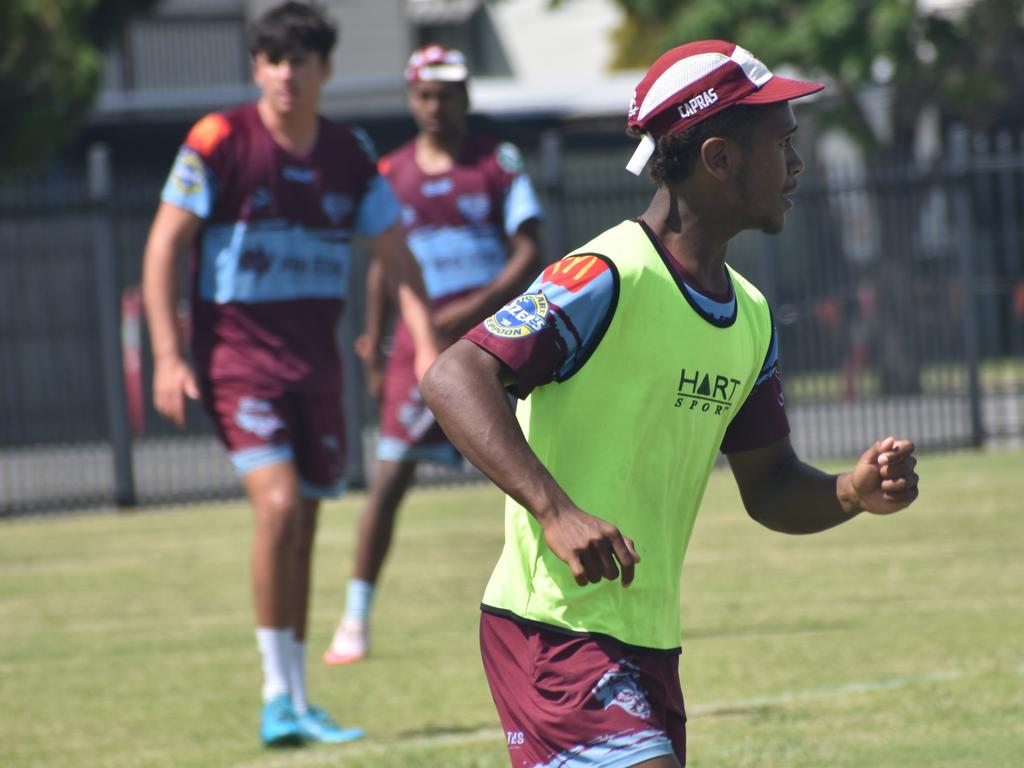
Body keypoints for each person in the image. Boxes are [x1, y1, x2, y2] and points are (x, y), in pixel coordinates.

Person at [420, 40, 921, 768]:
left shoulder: (749, 316)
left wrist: (850, 491)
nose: (797, 166)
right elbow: (454, 376)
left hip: (649, 642)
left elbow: (771, 484)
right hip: (553, 631)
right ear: (719, 159)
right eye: (782, 144)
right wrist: (556, 512)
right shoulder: (605, 275)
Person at [141, 1, 438, 748]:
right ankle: (277, 696)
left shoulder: (349, 153)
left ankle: (297, 697)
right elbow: (161, 249)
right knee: (276, 508)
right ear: (256, 68)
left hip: (315, 369)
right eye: (271, 59)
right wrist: (170, 357)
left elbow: (398, 262)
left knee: (304, 524)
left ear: (324, 70)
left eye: (298, 60)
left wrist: (427, 343)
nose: (284, 73)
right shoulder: (218, 141)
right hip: (237, 363)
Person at [323, 44, 544, 665]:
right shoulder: (390, 173)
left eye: (447, 93)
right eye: (424, 94)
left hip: (498, 345)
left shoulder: (497, 164)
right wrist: (373, 346)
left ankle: (553, 607)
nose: (435, 105)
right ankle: (355, 620)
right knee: (389, 480)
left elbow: (530, 251)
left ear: (466, 97)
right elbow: (379, 271)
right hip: (417, 354)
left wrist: (476, 305)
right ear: (410, 99)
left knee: (532, 469)